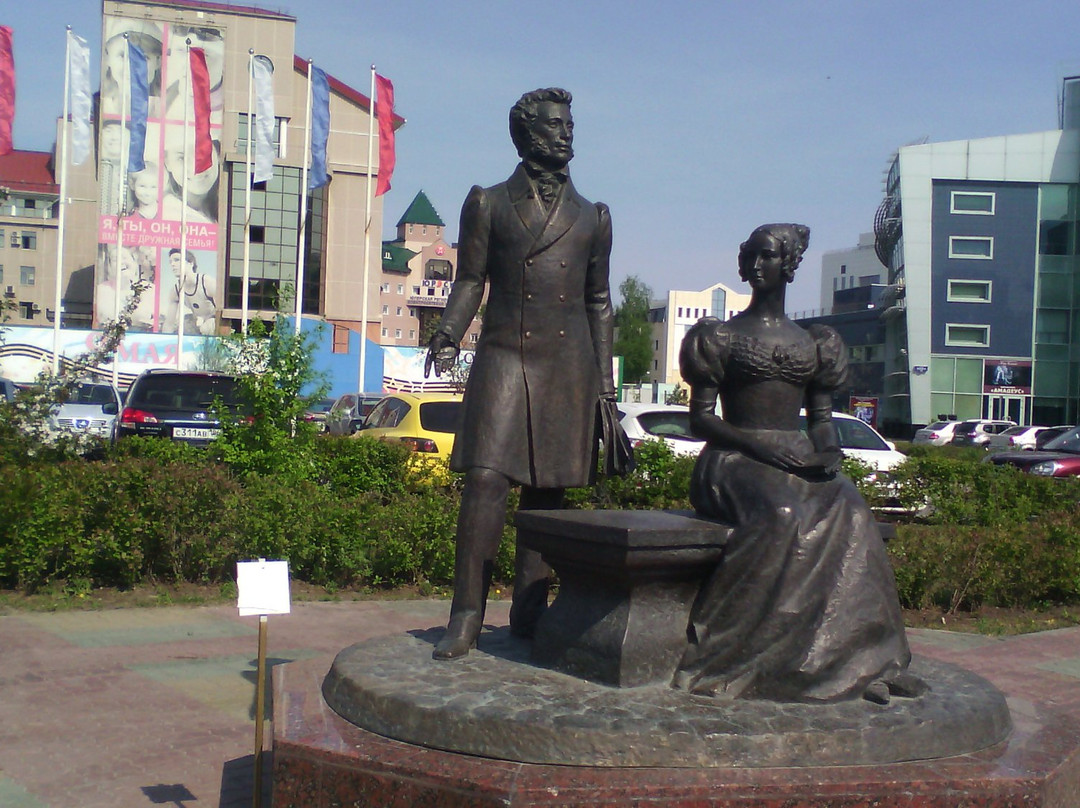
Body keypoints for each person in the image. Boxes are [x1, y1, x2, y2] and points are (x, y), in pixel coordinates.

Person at [674, 223, 917, 703]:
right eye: (751, 257)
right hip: (732, 460)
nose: (756, 266)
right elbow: (700, 420)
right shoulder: (719, 336)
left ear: (787, 265)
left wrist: (827, 452)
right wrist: (762, 448)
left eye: (767, 257)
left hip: (795, 461)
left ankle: (865, 661)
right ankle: (736, 660)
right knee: (783, 516)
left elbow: (821, 421)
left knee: (853, 511)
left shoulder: (816, 341)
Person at [424, 88, 615, 660]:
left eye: (571, 124)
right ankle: (466, 616)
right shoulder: (487, 202)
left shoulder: (593, 217)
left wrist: (605, 386)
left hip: (567, 365)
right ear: (527, 134)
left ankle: (531, 614)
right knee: (485, 479)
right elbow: (470, 279)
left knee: (547, 493)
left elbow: (599, 302)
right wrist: (448, 332)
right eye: (556, 125)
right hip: (506, 354)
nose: (567, 133)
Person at [167, 249, 217, 335]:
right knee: (184, 324)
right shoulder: (176, 290)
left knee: (207, 327)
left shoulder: (207, 283)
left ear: (190, 263)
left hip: (213, 325)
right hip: (198, 324)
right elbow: (169, 323)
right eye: (170, 261)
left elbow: (222, 312)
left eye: (177, 260)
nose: (172, 264)